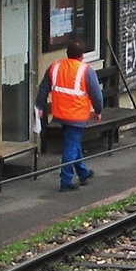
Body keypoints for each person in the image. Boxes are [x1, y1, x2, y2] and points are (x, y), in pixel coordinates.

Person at [35, 40, 103, 192]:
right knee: (70, 147)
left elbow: (43, 89)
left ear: (67, 53)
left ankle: (83, 173)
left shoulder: (55, 67)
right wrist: (98, 111)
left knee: (73, 143)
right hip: (77, 115)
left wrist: (39, 106)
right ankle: (65, 180)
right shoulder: (86, 71)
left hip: (60, 113)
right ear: (82, 56)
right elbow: (96, 95)